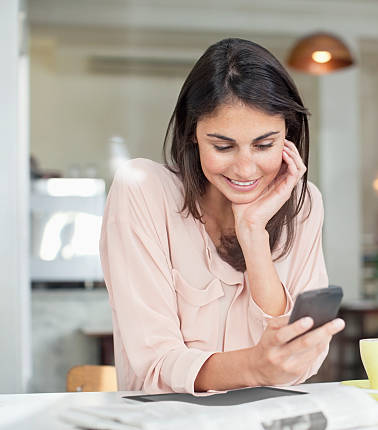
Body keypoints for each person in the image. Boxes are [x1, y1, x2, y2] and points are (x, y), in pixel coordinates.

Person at [99, 38, 345, 394]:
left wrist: (253, 235)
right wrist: (256, 367)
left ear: (287, 138)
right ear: (193, 136)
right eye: (223, 146)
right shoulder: (143, 191)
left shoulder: (303, 206)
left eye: (264, 145)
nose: (245, 169)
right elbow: (152, 366)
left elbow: (298, 359)